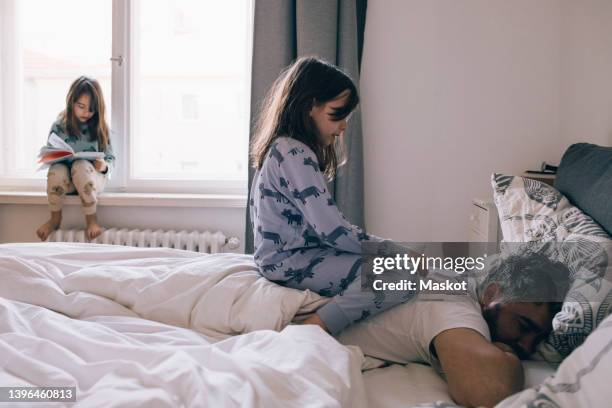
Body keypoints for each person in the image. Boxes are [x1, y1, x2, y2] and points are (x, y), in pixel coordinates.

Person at [249, 56, 416, 335]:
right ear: (310, 106)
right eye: (337, 113)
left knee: (402, 266)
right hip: (288, 262)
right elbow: (333, 231)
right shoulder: (293, 152)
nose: (343, 127)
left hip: (291, 256)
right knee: (402, 273)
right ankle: (314, 328)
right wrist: (397, 251)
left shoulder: (283, 148)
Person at [337, 253, 571, 408]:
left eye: (537, 338)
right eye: (523, 325)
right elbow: (490, 391)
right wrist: (503, 353)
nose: (527, 346)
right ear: (491, 294)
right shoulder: (454, 301)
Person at [36, 76, 115, 242]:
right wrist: (53, 157)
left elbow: (111, 158)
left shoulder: (101, 128)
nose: (86, 112)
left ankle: (91, 219)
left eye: (91, 109)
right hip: (67, 181)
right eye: (81, 106)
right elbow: (50, 151)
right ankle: (55, 218)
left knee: (80, 165)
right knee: (56, 170)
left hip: (91, 178)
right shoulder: (58, 126)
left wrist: (104, 166)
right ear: (71, 102)